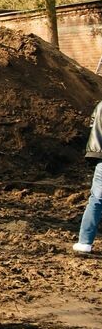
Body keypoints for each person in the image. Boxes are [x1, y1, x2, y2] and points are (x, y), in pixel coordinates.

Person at [74, 100, 102, 254]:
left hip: (99, 156)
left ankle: (85, 242)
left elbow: (92, 126)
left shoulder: (100, 105)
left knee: (97, 199)